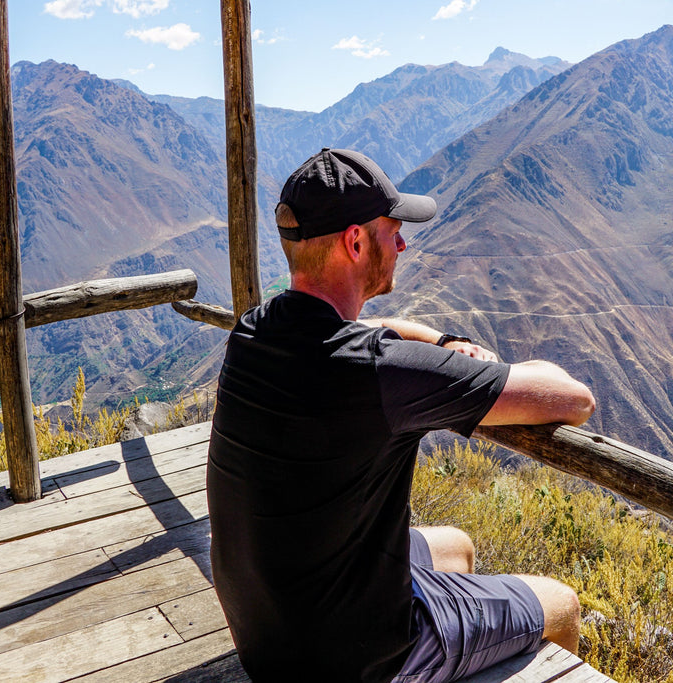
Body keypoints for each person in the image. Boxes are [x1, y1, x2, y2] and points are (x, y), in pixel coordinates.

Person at [207, 148, 596, 682]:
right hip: (354, 659)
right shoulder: (380, 375)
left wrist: (442, 342)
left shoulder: (255, 330)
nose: (403, 243)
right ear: (355, 241)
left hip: (267, 635)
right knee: (561, 604)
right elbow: (572, 399)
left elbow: (378, 329)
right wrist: (485, 366)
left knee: (457, 547)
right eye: (393, 230)